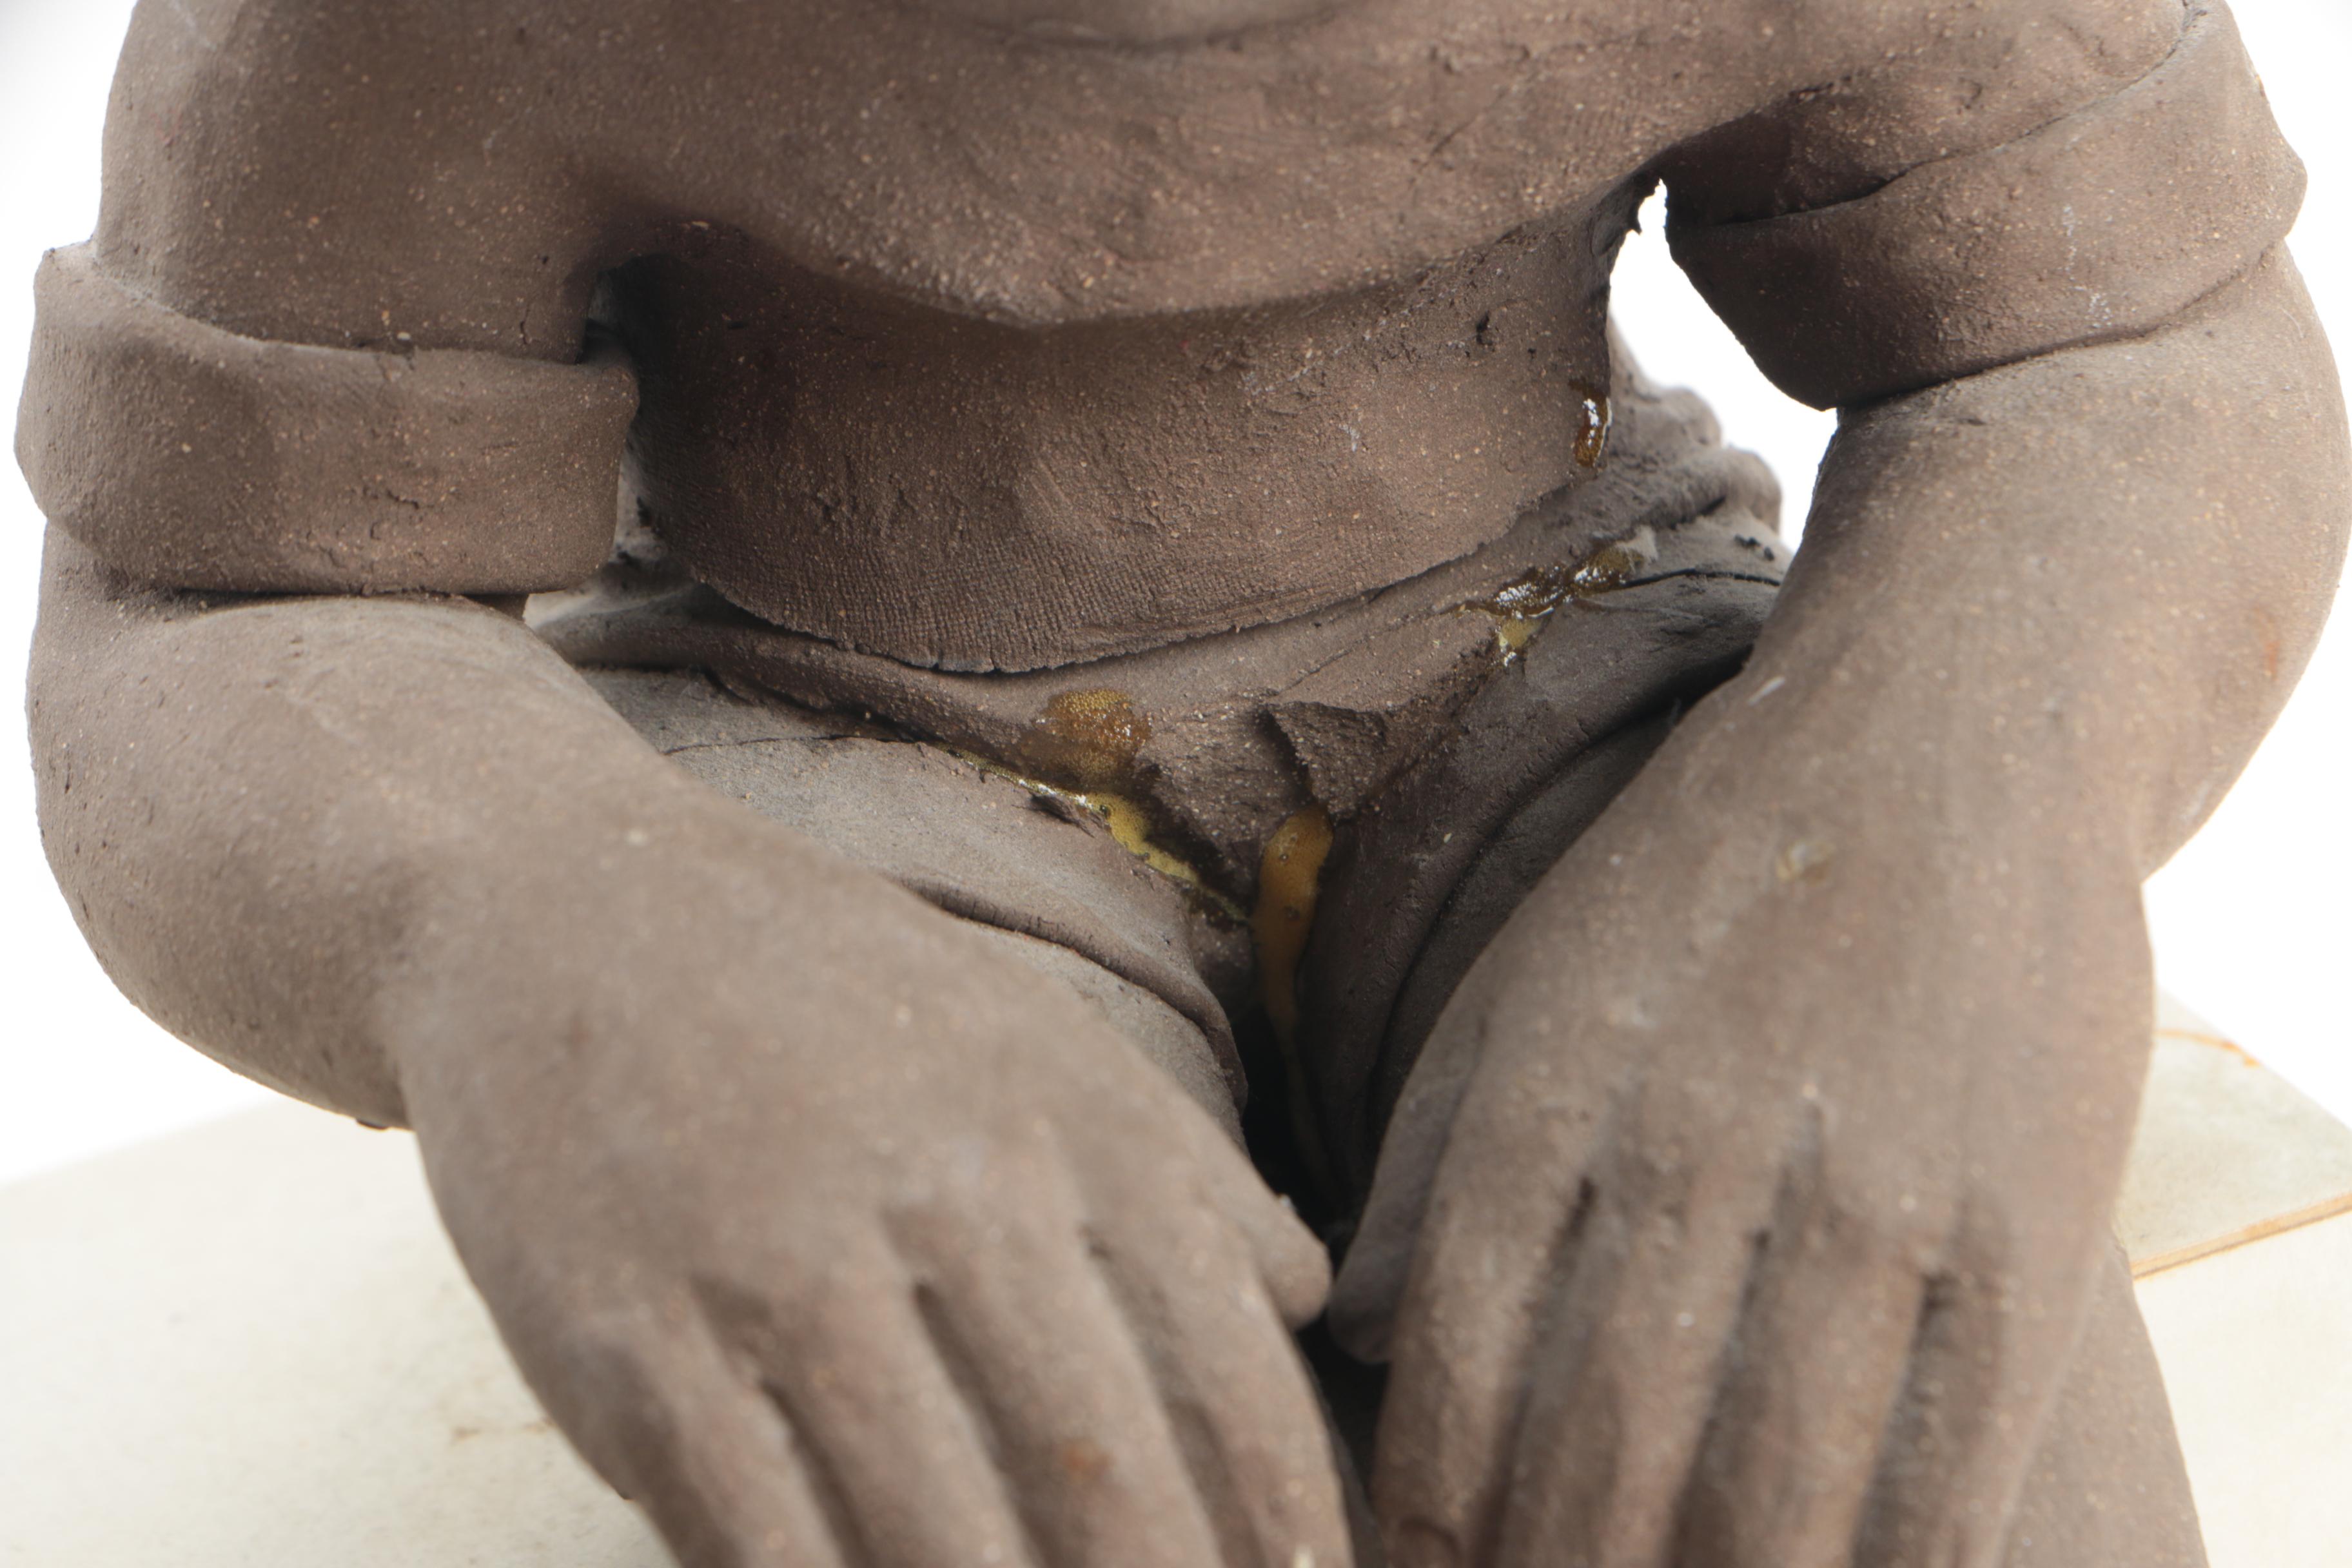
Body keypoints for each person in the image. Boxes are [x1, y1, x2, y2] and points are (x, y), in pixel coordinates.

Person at [17, 1, 2345, 1562]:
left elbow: (2115, 340)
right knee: (1030, 1466)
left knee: (1876, 1414)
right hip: (816, 739)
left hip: (1578, 643)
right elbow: (233, 598)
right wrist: (556, 922)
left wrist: (1941, 798)